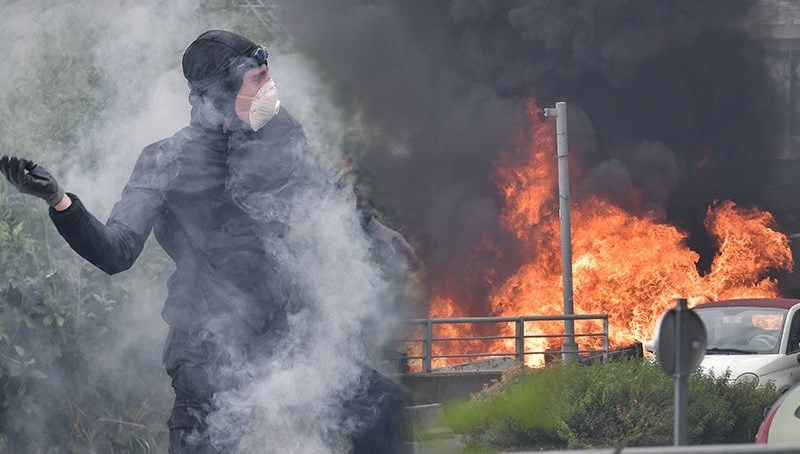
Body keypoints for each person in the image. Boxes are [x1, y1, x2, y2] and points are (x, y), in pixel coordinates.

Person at [0, 30, 409, 453]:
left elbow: (321, 188)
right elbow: (115, 251)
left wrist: (376, 229)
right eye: (258, 78)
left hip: (277, 336)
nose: (270, 88)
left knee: (381, 407)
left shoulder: (279, 131)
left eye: (268, 74)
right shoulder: (165, 160)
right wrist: (59, 200)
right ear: (219, 92)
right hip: (206, 347)